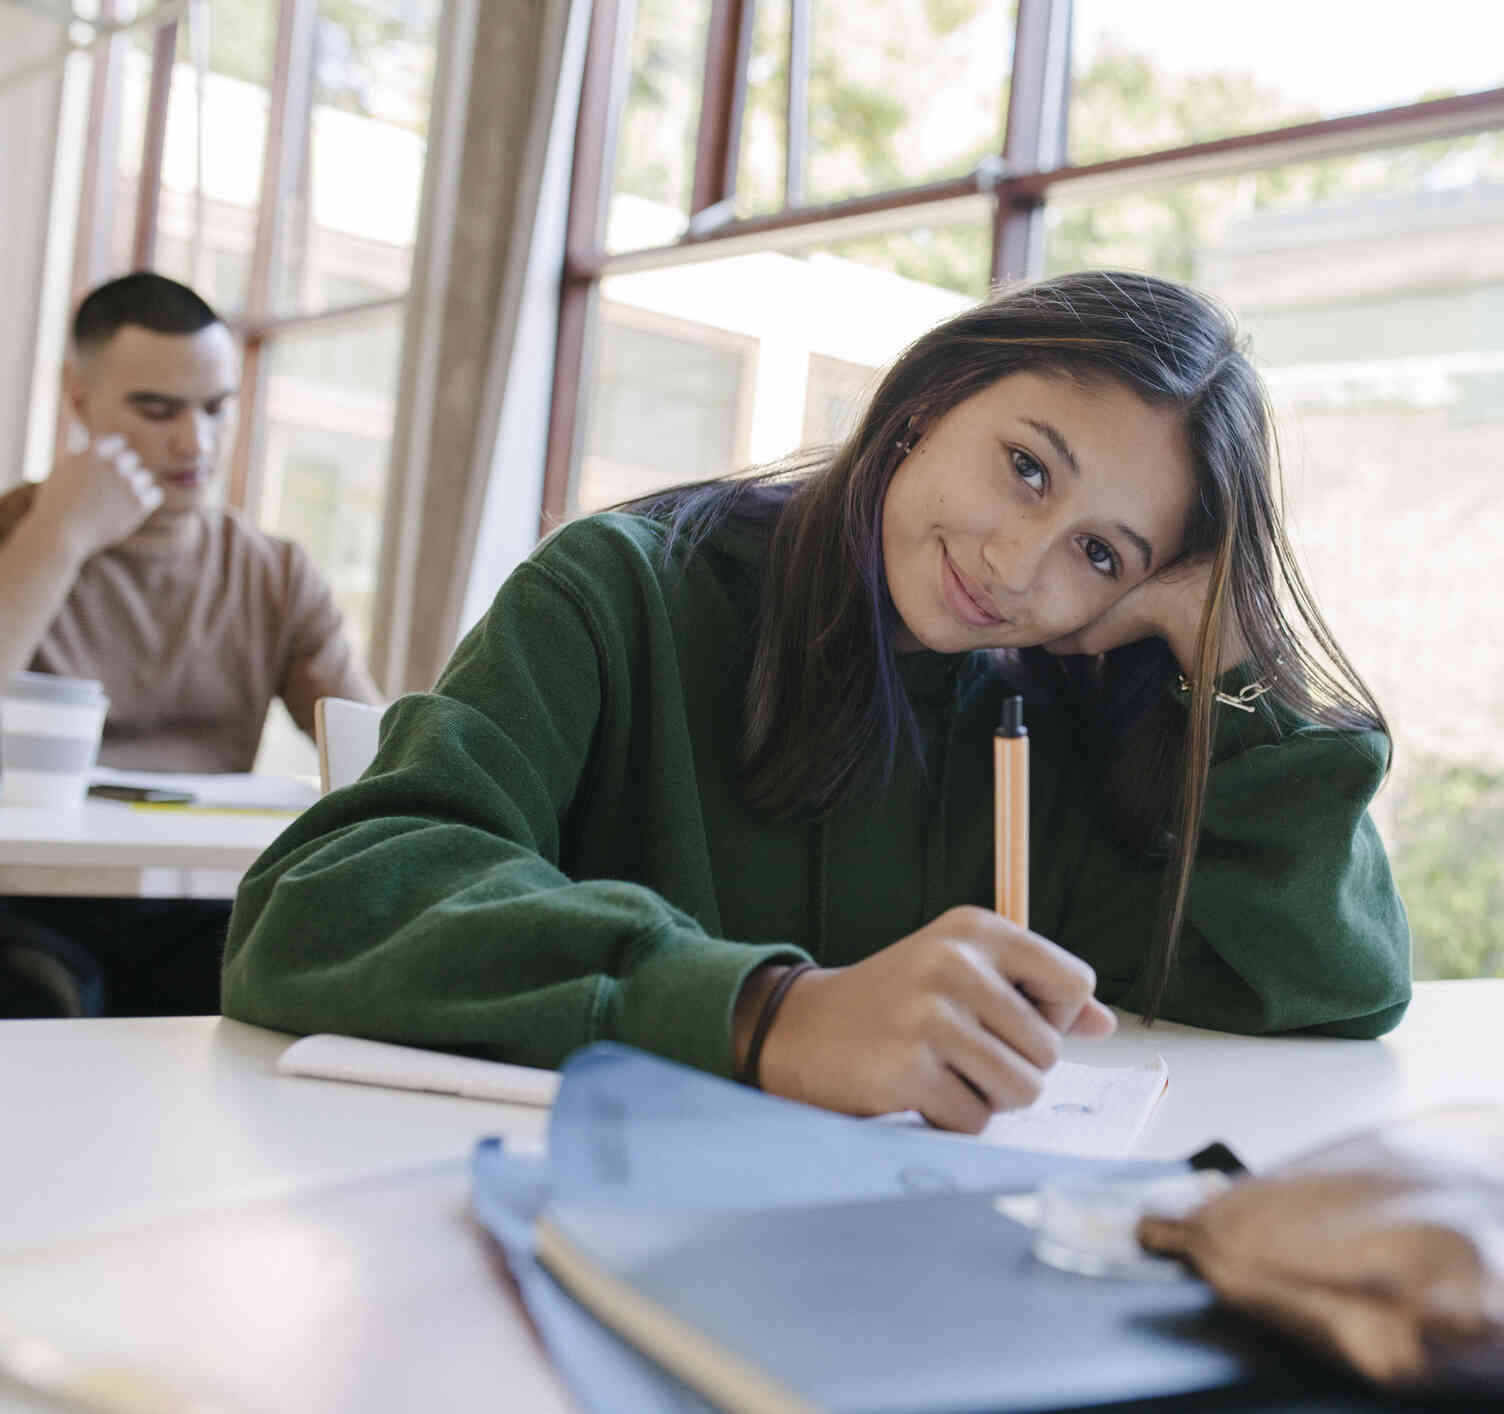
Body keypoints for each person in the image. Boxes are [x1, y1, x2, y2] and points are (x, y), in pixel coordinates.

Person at [221, 271, 1410, 1132]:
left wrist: (1242, 659)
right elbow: (319, 904)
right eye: (1027, 466)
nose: (1015, 565)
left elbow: (1326, 991)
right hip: (560, 1238)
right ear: (930, 401)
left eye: (1101, 555)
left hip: (902, 1287)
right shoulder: (620, 592)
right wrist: (766, 1014)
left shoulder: (1055, 717)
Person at [0, 272, 379, 1017]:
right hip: (24, 904)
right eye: (156, 409)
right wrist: (60, 535)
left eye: (215, 409)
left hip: (202, 910)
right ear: (79, 401)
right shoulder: (19, 533)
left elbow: (374, 756)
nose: (193, 442)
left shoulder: (273, 573)